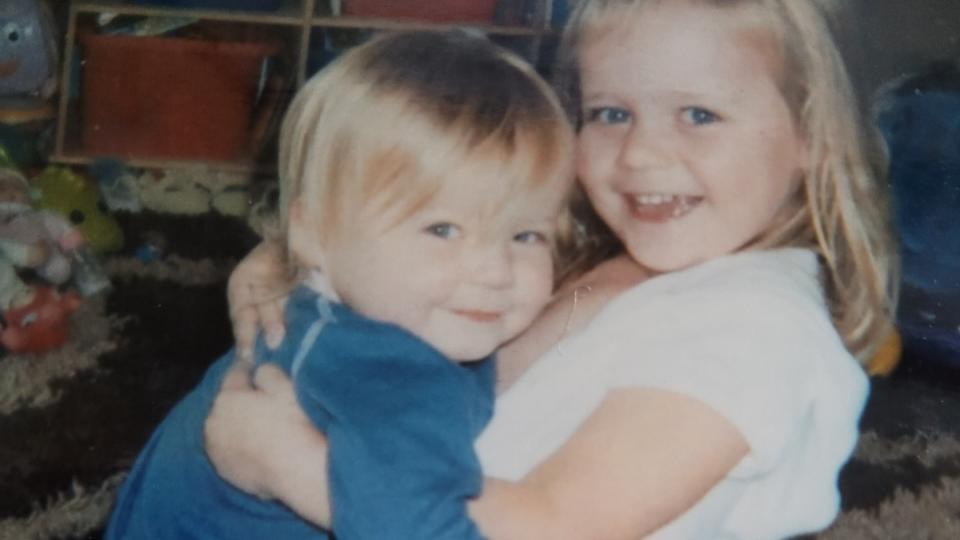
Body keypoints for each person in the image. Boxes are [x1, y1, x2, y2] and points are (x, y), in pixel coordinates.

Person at [206, 0, 899, 537]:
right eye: (610, 112)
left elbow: (553, 526)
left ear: (812, 135)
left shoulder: (755, 331)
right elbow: (433, 216)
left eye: (699, 114)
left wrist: (295, 466)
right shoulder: (630, 257)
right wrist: (290, 255)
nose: (639, 155)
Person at [104, 30, 574, 540]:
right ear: (314, 233)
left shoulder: (353, 309)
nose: (497, 271)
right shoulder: (386, 378)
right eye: (442, 230)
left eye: (525, 235)